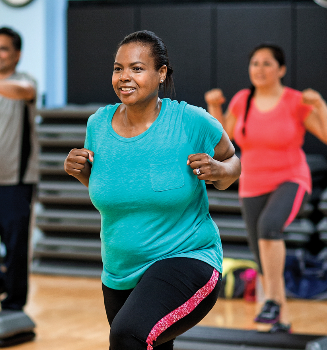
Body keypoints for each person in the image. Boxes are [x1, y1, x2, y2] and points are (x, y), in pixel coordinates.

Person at [64, 30, 241, 349]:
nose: (124, 77)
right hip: (119, 272)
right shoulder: (98, 126)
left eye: (136, 68)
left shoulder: (190, 121)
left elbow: (232, 165)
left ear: (161, 74)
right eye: (118, 68)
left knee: (127, 336)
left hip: (187, 257)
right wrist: (82, 173)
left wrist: (218, 170)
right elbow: (112, 192)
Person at [204, 43, 327, 333]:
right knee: (263, 256)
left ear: (281, 69)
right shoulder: (242, 100)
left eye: (267, 63)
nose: (260, 69)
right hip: (252, 183)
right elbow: (221, 141)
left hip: (291, 178)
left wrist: (321, 105)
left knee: (270, 228)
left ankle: (270, 300)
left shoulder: (296, 101)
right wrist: (215, 107)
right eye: (255, 63)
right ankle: (281, 319)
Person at [0, 27, 38, 311]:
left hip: (15, 181)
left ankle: (14, 307)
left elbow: (26, 91)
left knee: (14, 248)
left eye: (3, 48)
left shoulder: (24, 82)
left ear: (17, 54)